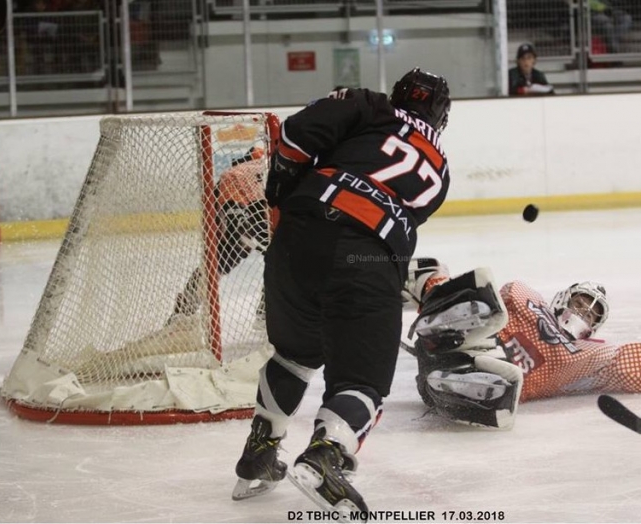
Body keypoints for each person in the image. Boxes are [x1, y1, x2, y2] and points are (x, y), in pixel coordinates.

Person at [231, 68, 452, 517]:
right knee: (362, 381)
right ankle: (325, 457)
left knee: (293, 355)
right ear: (441, 116)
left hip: (296, 240)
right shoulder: (441, 171)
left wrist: (279, 187)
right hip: (363, 257)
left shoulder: (369, 104)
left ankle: (259, 450)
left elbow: (295, 134)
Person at [402, 259, 641, 428]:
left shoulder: (587, 355)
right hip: (458, 339)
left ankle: (452, 376)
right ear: (561, 300)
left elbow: (629, 364)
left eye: (593, 314)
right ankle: (413, 293)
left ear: (594, 329)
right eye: (581, 302)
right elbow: (493, 297)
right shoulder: (524, 296)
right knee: (443, 275)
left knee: (504, 385)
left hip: (468, 374)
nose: (584, 312)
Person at [168, 146, 272, 324]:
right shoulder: (263, 167)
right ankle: (266, 313)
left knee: (216, 264)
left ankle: (182, 312)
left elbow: (216, 209)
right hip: (250, 210)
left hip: (236, 211)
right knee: (280, 263)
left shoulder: (232, 173)